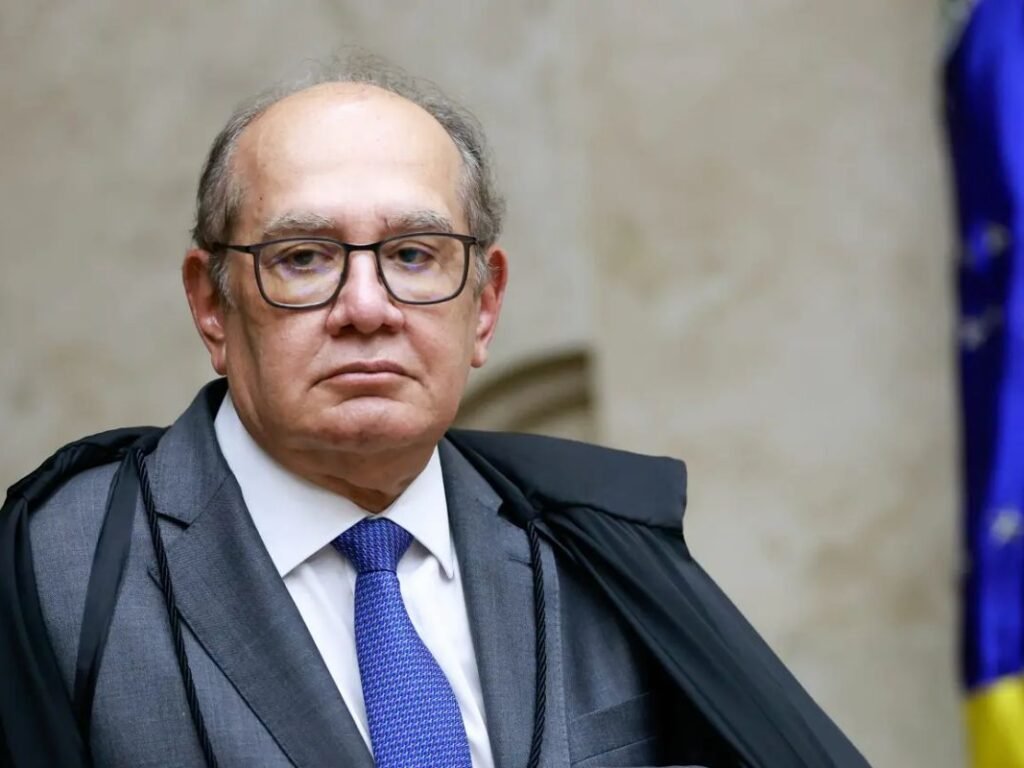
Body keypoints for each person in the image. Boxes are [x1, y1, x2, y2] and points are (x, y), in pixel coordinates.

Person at [0, 57, 868, 768]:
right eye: (304, 257)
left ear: (483, 307)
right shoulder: (62, 570)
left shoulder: (594, 552)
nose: (366, 307)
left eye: (414, 254)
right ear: (211, 306)